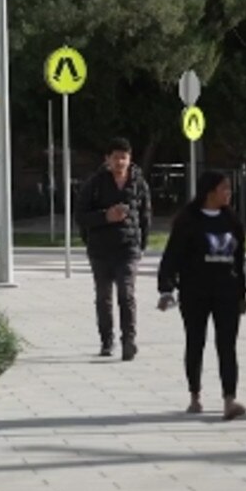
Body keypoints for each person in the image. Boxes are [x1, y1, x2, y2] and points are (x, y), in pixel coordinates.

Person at [156, 171, 246, 421]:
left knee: (227, 345)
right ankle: (195, 395)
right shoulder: (188, 220)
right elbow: (172, 256)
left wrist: (242, 293)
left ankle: (230, 399)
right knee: (196, 342)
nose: (229, 192)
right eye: (224, 188)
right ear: (210, 192)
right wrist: (166, 288)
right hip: (195, 292)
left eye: (229, 188)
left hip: (227, 293)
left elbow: (239, 262)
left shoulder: (232, 221)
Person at [75, 137, 152, 361]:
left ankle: (129, 340)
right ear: (107, 159)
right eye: (116, 157)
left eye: (124, 157)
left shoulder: (138, 183)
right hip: (100, 249)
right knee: (103, 296)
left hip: (128, 248)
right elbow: (80, 216)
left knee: (126, 294)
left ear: (130, 159)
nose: (120, 162)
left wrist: (142, 245)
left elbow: (146, 215)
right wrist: (105, 217)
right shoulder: (95, 184)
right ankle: (106, 341)